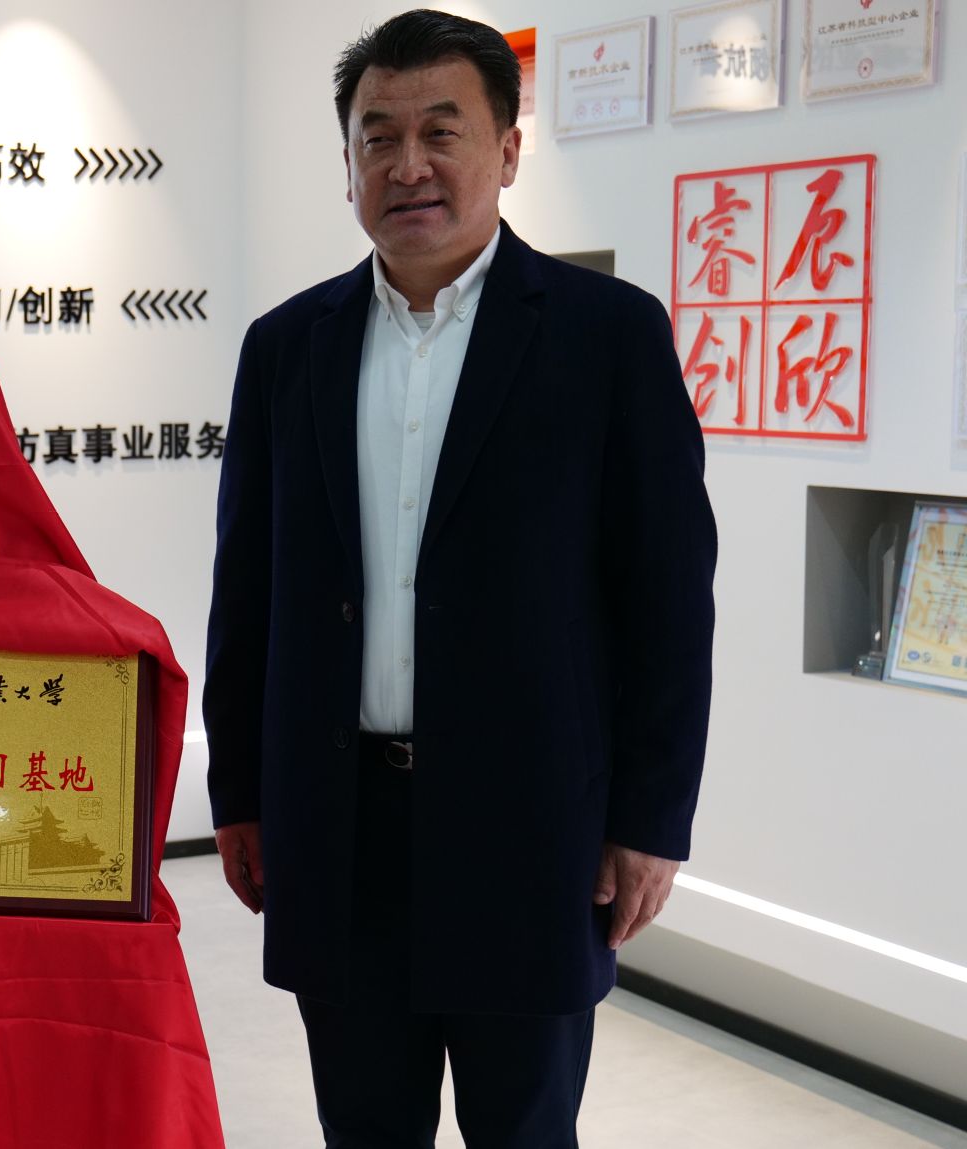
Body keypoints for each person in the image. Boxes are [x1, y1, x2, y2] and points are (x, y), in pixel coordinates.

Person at [204, 10, 716, 1146]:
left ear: (508, 149)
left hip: (531, 825)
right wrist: (238, 788)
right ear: (346, 163)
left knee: (522, 1128)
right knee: (362, 1125)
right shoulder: (285, 347)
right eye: (377, 137)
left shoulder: (606, 337)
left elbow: (669, 602)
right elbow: (247, 591)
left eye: (442, 131)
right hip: (339, 823)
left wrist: (651, 818)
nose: (408, 165)